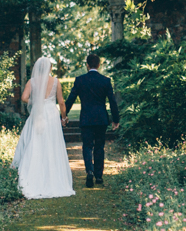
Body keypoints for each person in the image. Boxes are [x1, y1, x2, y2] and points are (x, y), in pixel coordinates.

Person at [11, 56, 75, 199]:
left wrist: (36, 101)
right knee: (52, 144)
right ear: (50, 68)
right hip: (51, 114)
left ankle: (32, 177)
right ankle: (54, 179)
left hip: (38, 113)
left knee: (35, 142)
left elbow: (23, 97)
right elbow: (62, 102)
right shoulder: (56, 82)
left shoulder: (32, 81)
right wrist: (64, 117)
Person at [63, 52, 120, 188]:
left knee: (87, 146)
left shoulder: (80, 80)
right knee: (99, 146)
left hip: (86, 119)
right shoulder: (105, 81)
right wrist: (115, 119)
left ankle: (89, 171)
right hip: (101, 119)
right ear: (99, 65)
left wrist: (63, 116)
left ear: (87, 65)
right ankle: (99, 176)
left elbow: (70, 99)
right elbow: (112, 101)